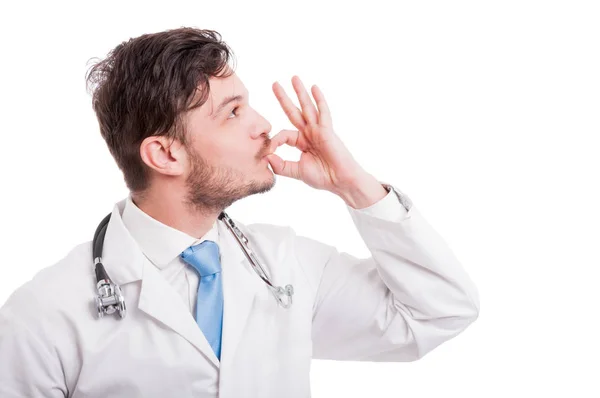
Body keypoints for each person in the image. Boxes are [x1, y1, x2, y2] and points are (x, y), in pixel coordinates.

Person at [0, 27, 480, 398]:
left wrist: (356, 186)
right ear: (165, 155)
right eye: (232, 112)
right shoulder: (42, 317)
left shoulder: (288, 266)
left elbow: (439, 312)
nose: (263, 125)